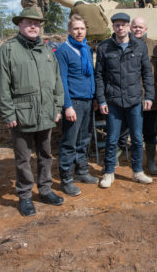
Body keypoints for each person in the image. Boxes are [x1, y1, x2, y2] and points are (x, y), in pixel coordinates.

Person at [0, 7, 64, 216]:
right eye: (29, 22)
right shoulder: (9, 50)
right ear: (20, 25)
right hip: (22, 115)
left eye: (37, 23)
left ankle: (45, 190)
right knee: (23, 158)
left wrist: (57, 106)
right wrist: (8, 113)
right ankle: (24, 195)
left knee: (45, 154)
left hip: (46, 113)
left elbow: (57, 81)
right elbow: (1, 85)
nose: (34, 26)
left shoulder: (46, 50)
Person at [95, 12, 155, 188]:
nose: (120, 28)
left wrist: (149, 95)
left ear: (128, 26)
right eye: (117, 25)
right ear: (113, 27)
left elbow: (146, 73)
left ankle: (137, 172)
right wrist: (102, 100)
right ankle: (109, 172)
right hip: (113, 101)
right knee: (112, 139)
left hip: (134, 100)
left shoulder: (139, 46)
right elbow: (99, 75)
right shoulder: (104, 47)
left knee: (137, 138)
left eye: (123, 24)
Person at [55, 14, 98, 197]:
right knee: (69, 142)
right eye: (76, 29)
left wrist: (95, 97)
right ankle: (66, 179)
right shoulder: (63, 50)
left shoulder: (86, 48)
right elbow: (61, 80)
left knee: (84, 140)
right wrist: (67, 106)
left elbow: (91, 75)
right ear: (69, 30)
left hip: (88, 101)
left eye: (82, 28)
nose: (79, 32)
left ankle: (82, 172)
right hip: (74, 102)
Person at [130, 17, 157, 175]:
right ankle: (115, 160)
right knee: (124, 130)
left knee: (150, 131)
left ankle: (150, 161)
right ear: (131, 28)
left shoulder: (154, 46)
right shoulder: (123, 43)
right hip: (129, 97)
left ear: (145, 28)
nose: (137, 29)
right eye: (135, 26)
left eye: (140, 27)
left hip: (150, 97)